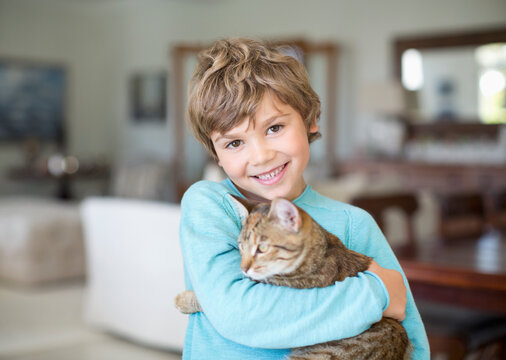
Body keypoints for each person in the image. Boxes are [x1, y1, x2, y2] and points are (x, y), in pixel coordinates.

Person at [179, 37, 429, 359]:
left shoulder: (355, 224)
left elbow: (414, 345)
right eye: (234, 143)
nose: (261, 155)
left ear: (310, 119)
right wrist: (377, 294)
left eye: (274, 128)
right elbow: (237, 313)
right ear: (216, 154)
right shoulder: (211, 203)